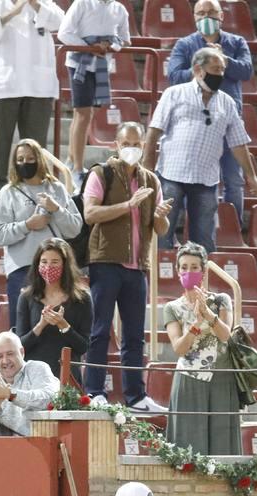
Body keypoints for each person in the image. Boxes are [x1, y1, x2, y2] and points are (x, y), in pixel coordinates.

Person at [81, 122, 171, 413]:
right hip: (105, 262)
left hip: (137, 267)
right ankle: (94, 391)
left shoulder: (151, 181)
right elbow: (90, 213)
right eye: (126, 143)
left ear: (144, 146)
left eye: (137, 143)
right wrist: (128, 205)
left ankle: (136, 397)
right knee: (100, 330)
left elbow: (159, 227)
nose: (132, 148)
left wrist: (160, 215)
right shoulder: (101, 173)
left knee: (134, 335)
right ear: (116, 146)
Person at [144, 47, 257, 252]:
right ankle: (161, 281)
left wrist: (251, 176)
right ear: (198, 69)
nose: (220, 74)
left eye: (222, 70)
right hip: (171, 174)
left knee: (205, 241)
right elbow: (153, 132)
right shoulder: (174, 94)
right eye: (215, 69)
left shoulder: (227, 102)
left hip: (206, 179)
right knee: (162, 235)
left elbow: (238, 143)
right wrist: (146, 171)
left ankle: (202, 282)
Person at [165, 0, 254, 226]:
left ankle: (234, 227)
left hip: (227, 119)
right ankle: (190, 225)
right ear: (194, 17)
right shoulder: (185, 44)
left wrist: (224, 60)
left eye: (212, 12)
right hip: (195, 121)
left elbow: (247, 71)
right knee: (193, 178)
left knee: (233, 178)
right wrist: (203, 68)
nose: (207, 17)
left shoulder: (236, 42)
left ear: (221, 16)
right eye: (201, 13)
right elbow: (174, 76)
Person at [0, 0, 63, 195]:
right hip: (1, 84)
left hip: (37, 86)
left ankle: (36, 196)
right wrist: (12, 13)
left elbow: (59, 22)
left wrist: (33, 4)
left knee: (35, 149)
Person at [0, 138, 82, 333]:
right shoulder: (8, 193)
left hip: (56, 269)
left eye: (30, 158)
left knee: (57, 326)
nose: (25, 163)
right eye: (20, 159)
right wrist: (27, 225)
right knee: (22, 328)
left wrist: (56, 209)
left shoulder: (56, 188)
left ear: (39, 160)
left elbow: (75, 227)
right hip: (22, 271)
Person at [162, 241, 239, 454]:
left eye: (194, 267)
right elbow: (179, 348)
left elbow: (225, 335)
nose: (189, 271)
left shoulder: (222, 300)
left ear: (203, 271)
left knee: (223, 444)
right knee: (188, 446)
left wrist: (207, 314)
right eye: (184, 267)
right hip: (189, 379)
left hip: (222, 377)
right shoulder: (172, 308)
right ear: (178, 271)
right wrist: (196, 324)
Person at [58, 0, 129, 185]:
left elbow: (125, 39)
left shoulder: (120, 9)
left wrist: (110, 45)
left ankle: (72, 158)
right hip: (79, 63)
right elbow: (64, 33)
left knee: (84, 114)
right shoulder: (82, 3)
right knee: (83, 113)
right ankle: (77, 169)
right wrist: (90, 47)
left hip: (102, 64)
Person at [16, 237, 91, 384]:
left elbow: (83, 346)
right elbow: (20, 346)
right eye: (44, 262)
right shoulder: (26, 297)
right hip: (34, 379)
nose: (49, 267)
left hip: (67, 377)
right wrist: (40, 325)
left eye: (55, 262)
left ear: (65, 265)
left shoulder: (82, 298)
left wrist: (63, 325)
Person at [0, 331, 59, 436]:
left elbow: (50, 398)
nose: (5, 361)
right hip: (13, 448)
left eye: (10, 354)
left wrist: (10, 394)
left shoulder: (37, 368)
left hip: (46, 443)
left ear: (22, 352)